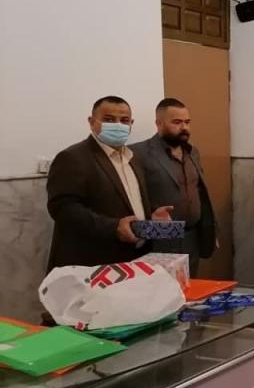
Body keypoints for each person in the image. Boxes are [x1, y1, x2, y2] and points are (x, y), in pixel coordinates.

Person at [47, 96, 173, 270]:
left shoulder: (133, 158)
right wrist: (113, 227)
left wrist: (151, 218)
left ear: (131, 124)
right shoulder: (73, 158)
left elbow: (128, 202)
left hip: (134, 258)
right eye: (109, 120)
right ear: (92, 122)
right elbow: (64, 210)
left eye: (124, 120)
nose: (118, 125)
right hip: (93, 263)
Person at [131, 98, 216, 277]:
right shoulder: (138, 153)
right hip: (159, 238)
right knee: (161, 288)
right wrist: (149, 219)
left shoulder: (192, 152)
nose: (184, 127)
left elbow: (200, 192)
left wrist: (210, 229)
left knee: (189, 287)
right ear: (159, 123)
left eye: (187, 122)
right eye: (176, 122)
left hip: (191, 237)